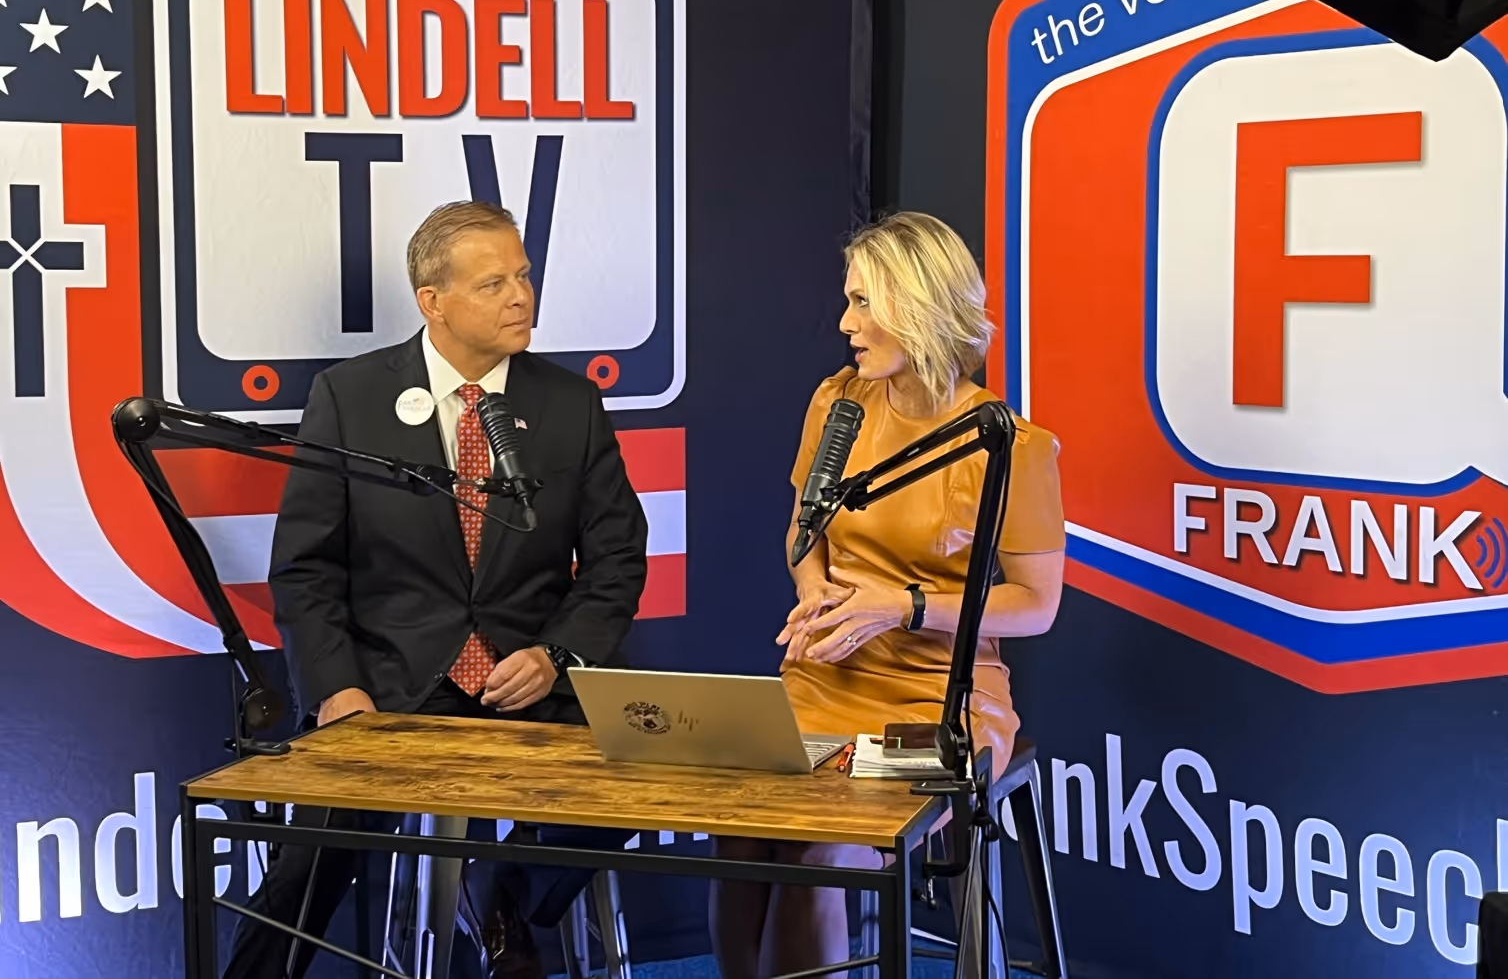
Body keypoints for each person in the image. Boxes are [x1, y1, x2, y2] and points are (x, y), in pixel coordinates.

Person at [224, 201, 647, 979]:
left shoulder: (570, 403)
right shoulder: (350, 397)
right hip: (390, 687)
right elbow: (306, 568)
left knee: (636, 784)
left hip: (535, 685)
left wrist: (556, 654)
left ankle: (502, 889)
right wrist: (337, 689)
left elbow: (617, 559)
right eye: (493, 284)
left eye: (524, 276)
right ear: (433, 301)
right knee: (305, 864)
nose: (521, 297)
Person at [709, 211, 1066, 978]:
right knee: (739, 827)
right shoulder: (838, 404)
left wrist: (900, 605)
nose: (845, 323)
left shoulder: (1009, 443)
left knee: (824, 844)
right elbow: (803, 532)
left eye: (863, 302)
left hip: (939, 705)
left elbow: (1037, 604)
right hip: (823, 681)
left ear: (920, 307)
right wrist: (814, 591)